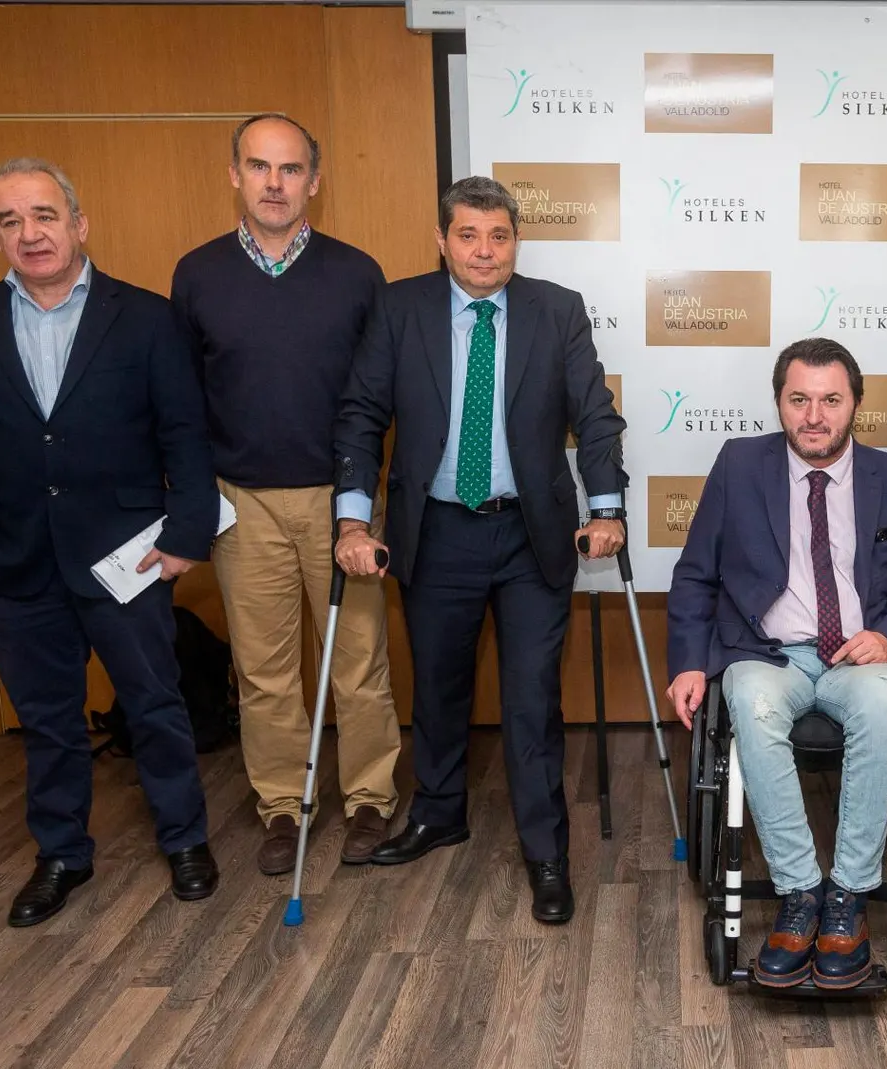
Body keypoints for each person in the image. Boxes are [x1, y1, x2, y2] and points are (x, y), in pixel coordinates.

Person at [0, 158, 220, 926]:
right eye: (10, 220)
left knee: (154, 703)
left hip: (127, 557)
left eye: (44, 215)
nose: (29, 233)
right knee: (47, 719)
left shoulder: (146, 317)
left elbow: (185, 432)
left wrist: (187, 533)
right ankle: (61, 855)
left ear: (79, 224)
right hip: (10, 561)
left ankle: (184, 839)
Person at [331, 176, 628, 925]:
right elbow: (362, 414)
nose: (484, 251)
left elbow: (594, 415)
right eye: (468, 235)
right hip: (435, 530)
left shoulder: (555, 310)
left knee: (531, 697)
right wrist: (352, 520)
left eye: (498, 237)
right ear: (443, 239)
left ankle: (546, 848)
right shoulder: (400, 309)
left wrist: (607, 508)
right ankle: (439, 812)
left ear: (515, 241)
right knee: (438, 686)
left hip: (530, 534)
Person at [667, 339, 887, 990]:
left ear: (856, 404)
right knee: (751, 701)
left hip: (863, 651)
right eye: (799, 399)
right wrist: (687, 662)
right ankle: (799, 890)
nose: (815, 415)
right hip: (769, 651)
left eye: (830, 399)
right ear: (779, 403)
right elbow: (694, 575)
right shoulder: (740, 465)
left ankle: (848, 894)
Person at [170, 114, 402, 874]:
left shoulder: (357, 272)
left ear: (315, 179)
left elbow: (376, 400)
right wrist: (195, 504)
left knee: (357, 661)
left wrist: (360, 504)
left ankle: (369, 797)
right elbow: (183, 401)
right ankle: (282, 805)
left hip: (343, 502)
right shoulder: (198, 274)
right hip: (244, 502)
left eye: (291, 168)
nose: (276, 183)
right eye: (260, 167)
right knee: (264, 671)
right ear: (234, 174)